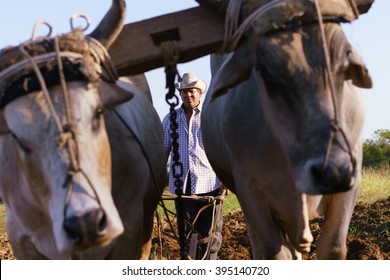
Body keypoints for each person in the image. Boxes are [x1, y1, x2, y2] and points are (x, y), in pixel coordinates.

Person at [162, 72, 224, 259]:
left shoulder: (211, 116)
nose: (188, 95)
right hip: (182, 186)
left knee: (211, 235)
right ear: (180, 94)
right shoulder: (170, 119)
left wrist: (225, 183)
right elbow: (163, 151)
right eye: (185, 91)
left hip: (210, 184)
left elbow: (223, 149)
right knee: (187, 234)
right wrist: (155, 179)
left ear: (199, 93)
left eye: (192, 91)